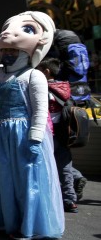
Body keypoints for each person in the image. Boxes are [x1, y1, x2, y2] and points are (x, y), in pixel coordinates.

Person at [0, 11, 64, 240]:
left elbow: (40, 111)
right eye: (6, 51)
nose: (9, 54)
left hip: (24, 136)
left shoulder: (34, 76)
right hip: (1, 134)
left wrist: (35, 138)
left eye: (14, 51)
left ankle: (27, 226)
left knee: (26, 180)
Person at [36, 58, 79, 213]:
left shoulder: (43, 88)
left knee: (45, 167)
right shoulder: (64, 87)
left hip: (48, 133)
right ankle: (70, 199)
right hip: (65, 133)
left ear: (46, 72)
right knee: (65, 167)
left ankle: (48, 199)